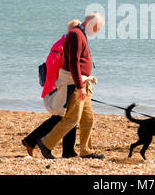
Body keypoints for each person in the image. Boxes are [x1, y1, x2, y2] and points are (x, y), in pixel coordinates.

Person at [37, 13, 105, 160]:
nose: (98, 31)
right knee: (72, 118)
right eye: (98, 27)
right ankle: (46, 143)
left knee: (88, 118)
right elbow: (73, 63)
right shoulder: (76, 34)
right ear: (91, 23)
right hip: (75, 84)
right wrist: (80, 87)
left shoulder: (80, 34)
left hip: (83, 82)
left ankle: (86, 151)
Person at [22, 19, 82, 158]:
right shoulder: (60, 47)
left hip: (68, 85)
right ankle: (31, 141)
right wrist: (55, 87)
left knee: (69, 116)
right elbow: (52, 68)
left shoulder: (68, 44)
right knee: (60, 118)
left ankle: (68, 151)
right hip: (61, 86)